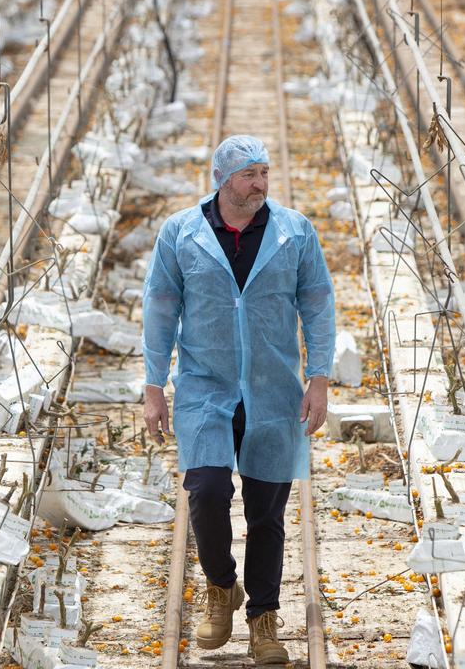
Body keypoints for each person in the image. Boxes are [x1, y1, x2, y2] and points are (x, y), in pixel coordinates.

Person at [141, 135, 336, 665]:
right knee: (205, 490)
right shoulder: (181, 233)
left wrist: (319, 377)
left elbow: (318, 304)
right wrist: (154, 385)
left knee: (267, 511)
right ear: (223, 179)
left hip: (274, 390)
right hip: (206, 386)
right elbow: (160, 308)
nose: (261, 183)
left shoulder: (294, 232)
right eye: (250, 174)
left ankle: (264, 621)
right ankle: (222, 585)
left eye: (265, 172)